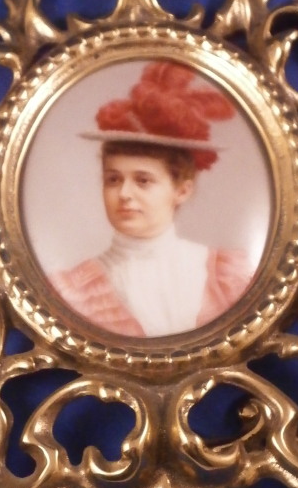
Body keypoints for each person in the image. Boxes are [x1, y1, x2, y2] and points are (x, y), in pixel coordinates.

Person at [49, 61, 253, 337]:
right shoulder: (73, 290)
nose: (124, 194)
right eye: (113, 179)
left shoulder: (228, 276)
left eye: (143, 181)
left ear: (182, 190)